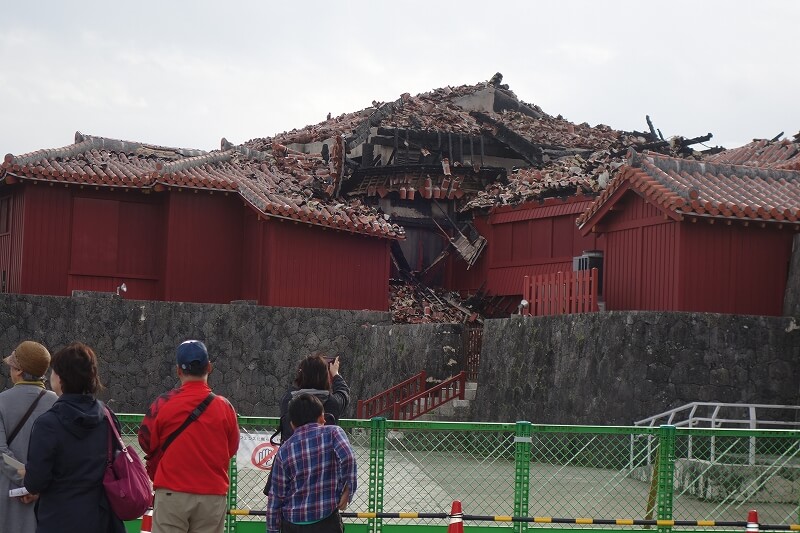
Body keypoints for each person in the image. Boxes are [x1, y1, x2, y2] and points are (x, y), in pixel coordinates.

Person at [138, 340, 239, 533]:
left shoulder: (163, 404)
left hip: (171, 493)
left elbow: (145, 440)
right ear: (209, 367)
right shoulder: (224, 407)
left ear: (178, 371)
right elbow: (231, 449)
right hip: (212, 495)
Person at [23, 342, 125, 533]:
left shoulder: (48, 423)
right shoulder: (107, 417)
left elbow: (35, 481)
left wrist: (27, 475)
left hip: (58, 519)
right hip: (102, 518)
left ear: (61, 378)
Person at [267, 394, 357, 533]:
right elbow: (348, 458)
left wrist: (272, 530)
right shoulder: (333, 432)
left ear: (292, 424)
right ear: (322, 417)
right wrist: (348, 490)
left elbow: (276, 496)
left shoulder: (284, 450)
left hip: (292, 523)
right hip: (326, 520)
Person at [0, 341, 58, 533]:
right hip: (46, 495)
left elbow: (1, 452)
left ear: (18, 371)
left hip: (8, 492)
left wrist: (26, 483)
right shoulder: (56, 403)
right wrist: (36, 485)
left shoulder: (2, 402)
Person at [278, 353, 350, 442]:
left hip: (293, 454)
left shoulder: (289, 400)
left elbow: (293, 389)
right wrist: (335, 374)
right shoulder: (332, 402)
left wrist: (303, 373)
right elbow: (343, 393)